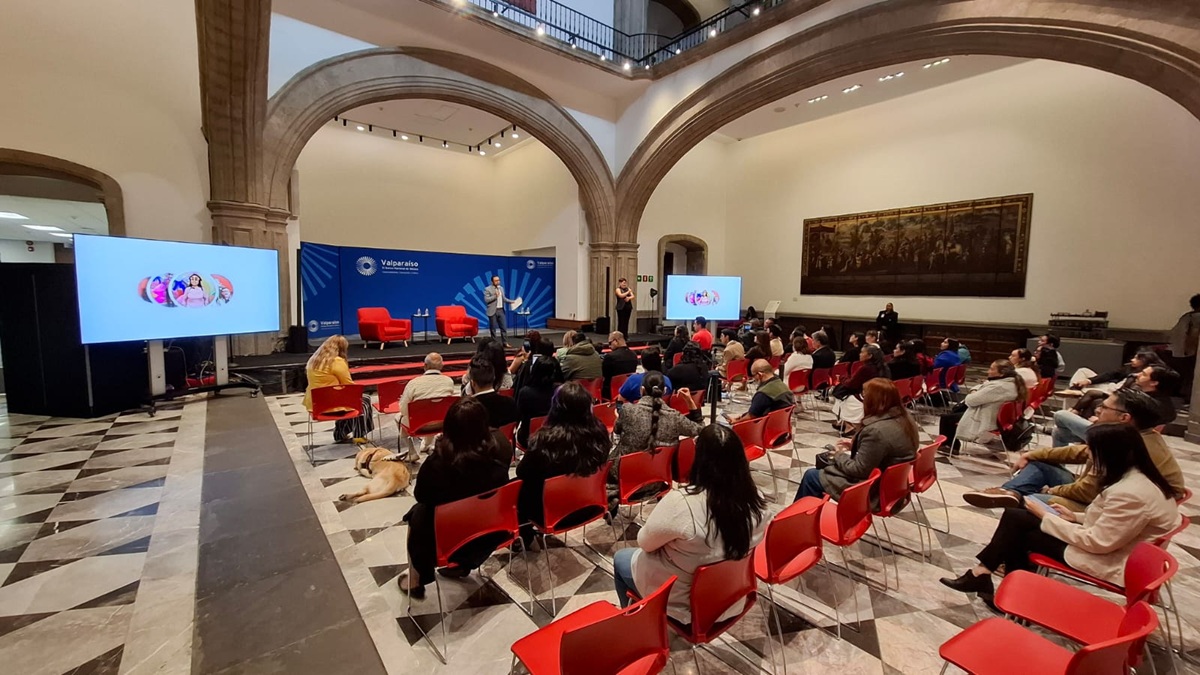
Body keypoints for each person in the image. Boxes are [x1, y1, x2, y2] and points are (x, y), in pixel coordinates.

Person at [940, 424, 1179, 603]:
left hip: (1114, 561)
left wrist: (1047, 518)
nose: (1089, 457)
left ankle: (1001, 587)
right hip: (1119, 547)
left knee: (1023, 530)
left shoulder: (1131, 492)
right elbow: (1115, 521)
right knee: (1019, 519)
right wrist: (1073, 516)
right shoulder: (1139, 478)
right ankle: (988, 577)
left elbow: (1099, 542)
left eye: (1093, 451)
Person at [613, 425, 767, 623]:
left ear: (699, 460)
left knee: (621, 558)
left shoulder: (682, 503)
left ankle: (633, 624)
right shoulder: (757, 502)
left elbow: (645, 543)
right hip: (733, 596)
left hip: (687, 608)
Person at [961, 388, 1186, 511]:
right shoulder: (1136, 434)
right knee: (1039, 464)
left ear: (1124, 418)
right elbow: (1079, 453)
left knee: (1028, 505)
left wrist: (1050, 492)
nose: (1098, 410)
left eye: (1104, 407)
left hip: (1108, 507)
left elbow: (1087, 492)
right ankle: (1009, 491)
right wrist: (1032, 453)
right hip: (1108, 496)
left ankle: (1012, 559)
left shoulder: (1123, 445)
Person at [399, 397, 512, 598]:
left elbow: (421, 495)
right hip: (487, 535)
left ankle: (416, 579)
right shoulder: (499, 456)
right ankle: (461, 565)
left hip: (445, 542)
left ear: (449, 427)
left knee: (416, 513)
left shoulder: (436, 465)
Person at [795, 378, 919, 509]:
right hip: (894, 485)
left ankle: (797, 520)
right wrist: (857, 446)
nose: (862, 400)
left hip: (875, 490)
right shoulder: (905, 418)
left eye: (864, 396)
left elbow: (859, 470)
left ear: (873, 400)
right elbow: (884, 450)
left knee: (812, 476)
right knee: (827, 468)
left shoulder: (876, 431)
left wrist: (839, 455)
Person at [516, 381, 610, 545]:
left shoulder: (545, 439)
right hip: (589, 504)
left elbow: (521, 472)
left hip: (552, 513)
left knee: (515, 488)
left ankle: (525, 538)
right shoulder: (600, 432)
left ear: (556, 408)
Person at [1049, 365, 1179, 447]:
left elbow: (1129, 426)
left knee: (1061, 415)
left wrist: (1100, 423)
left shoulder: (1146, 404)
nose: (1137, 374)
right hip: (1118, 435)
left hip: (1117, 440)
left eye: (1144, 374)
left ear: (1154, 382)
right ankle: (1057, 468)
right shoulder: (1166, 406)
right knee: (1059, 433)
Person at [611, 371, 702, 467]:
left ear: (641, 390)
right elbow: (701, 430)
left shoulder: (627, 410)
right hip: (658, 476)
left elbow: (616, 433)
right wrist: (690, 401)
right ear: (664, 390)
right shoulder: (675, 417)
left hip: (626, 472)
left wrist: (619, 418)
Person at [938, 359, 1027, 451]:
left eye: (992, 369)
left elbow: (971, 400)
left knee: (946, 418)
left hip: (986, 419)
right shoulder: (1011, 383)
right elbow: (983, 389)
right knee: (956, 412)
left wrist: (974, 391)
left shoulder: (998, 387)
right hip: (995, 416)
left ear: (1002, 373)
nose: (988, 371)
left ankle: (949, 446)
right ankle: (951, 444)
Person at [303, 335, 373, 443]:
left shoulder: (314, 360)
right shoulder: (336, 361)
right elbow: (348, 384)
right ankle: (358, 435)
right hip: (331, 403)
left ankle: (340, 433)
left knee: (351, 402)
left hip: (315, 404)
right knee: (363, 401)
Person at [1067, 350, 1165, 418]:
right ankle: (1076, 390)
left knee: (1092, 395)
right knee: (1083, 371)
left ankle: (1074, 408)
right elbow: (1111, 374)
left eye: (1136, 358)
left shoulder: (1147, 377)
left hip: (1117, 391)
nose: (1132, 360)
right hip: (1113, 386)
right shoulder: (1130, 368)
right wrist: (1089, 380)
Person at [396, 352, 457, 458]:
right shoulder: (449, 381)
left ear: (425, 366)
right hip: (442, 423)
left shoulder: (414, 383)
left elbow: (404, 410)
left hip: (419, 425)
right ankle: (426, 445)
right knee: (434, 414)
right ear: (442, 366)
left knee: (398, 417)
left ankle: (412, 452)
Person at [830, 344, 890, 431]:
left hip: (867, 396)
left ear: (869, 356)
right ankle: (842, 422)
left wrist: (841, 378)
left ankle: (849, 425)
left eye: (862, 352)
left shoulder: (866, 368)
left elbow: (851, 384)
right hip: (879, 396)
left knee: (842, 395)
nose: (860, 354)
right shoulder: (884, 367)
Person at [729, 359, 795, 423]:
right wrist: (742, 416)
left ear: (760, 374)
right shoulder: (781, 384)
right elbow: (757, 410)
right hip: (781, 425)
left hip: (766, 427)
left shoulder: (763, 394)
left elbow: (751, 417)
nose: (754, 379)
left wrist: (736, 421)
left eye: (754, 375)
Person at [466, 357, 520, 432]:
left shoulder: (467, 409)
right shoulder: (510, 403)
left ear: (473, 383)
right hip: (504, 442)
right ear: (493, 378)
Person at [515, 356, 558, 448]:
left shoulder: (525, 392)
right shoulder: (559, 390)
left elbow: (519, 414)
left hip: (528, 438)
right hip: (554, 436)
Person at [1167, 293, 1199, 403]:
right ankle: (1188, 399)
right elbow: (1193, 336)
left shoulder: (1186, 316)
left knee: (1186, 376)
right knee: (1191, 377)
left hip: (1177, 351)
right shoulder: (1196, 318)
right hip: (1190, 352)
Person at [602, 331, 639, 400]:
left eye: (610, 343)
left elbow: (604, 376)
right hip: (628, 389)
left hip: (611, 392)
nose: (609, 346)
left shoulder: (610, 357)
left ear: (616, 341)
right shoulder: (633, 355)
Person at [483, 275, 518, 346]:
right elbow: (486, 300)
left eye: (498, 280)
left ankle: (505, 343)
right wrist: (495, 296)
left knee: (504, 328)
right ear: (492, 281)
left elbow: (504, 299)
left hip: (501, 310)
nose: (497, 282)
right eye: (496, 280)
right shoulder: (487, 289)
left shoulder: (501, 288)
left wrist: (511, 301)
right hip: (493, 311)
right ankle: (494, 343)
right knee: (493, 329)